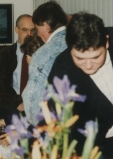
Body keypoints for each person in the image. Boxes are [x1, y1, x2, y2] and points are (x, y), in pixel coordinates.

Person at [48, 12, 113, 158]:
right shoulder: (63, 66)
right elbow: (54, 113)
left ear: (106, 42)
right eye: (80, 58)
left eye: (96, 57)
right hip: (95, 143)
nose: (88, 65)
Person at [22, 0, 68, 125]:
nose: (38, 34)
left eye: (37, 29)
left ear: (46, 26)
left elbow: (32, 104)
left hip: (54, 127)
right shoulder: (80, 41)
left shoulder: (43, 54)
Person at [0, 14, 36, 126]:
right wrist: (18, 104)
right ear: (16, 30)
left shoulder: (39, 53)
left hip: (33, 103)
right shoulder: (5, 54)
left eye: (32, 30)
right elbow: (1, 85)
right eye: (25, 30)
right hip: (11, 101)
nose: (29, 35)